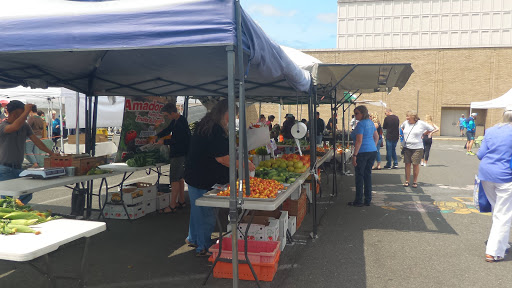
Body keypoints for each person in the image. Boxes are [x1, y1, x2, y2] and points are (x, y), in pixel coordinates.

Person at [185, 99, 255, 256]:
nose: (234, 118)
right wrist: (243, 164)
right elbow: (222, 159)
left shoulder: (207, 124)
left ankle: (193, 238)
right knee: (206, 214)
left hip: (195, 175)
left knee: (197, 211)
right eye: (234, 115)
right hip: (203, 177)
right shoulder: (215, 129)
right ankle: (203, 246)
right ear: (225, 113)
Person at [0, 101, 55, 204]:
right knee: (5, 199)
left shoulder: (24, 126)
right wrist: (26, 111)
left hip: (18, 168)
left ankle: (17, 207)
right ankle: (8, 213)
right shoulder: (3, 126)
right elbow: (14, 127)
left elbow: (37, 141)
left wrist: (51, 153)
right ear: (15, 114)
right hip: (4, 169)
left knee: (28, 191)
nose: (25, 117)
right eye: (23, 114)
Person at [476, 106, 512, 262]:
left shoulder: (491, 130)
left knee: (497, 210)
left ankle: (501, 244)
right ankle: (493, 251)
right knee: (503, 214)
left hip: (486, 173)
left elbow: (480, 154)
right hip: (505, 176)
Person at [155, 103, 191, 214]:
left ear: (173, 113)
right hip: (181, 154)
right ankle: (181, 201)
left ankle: (172, 205)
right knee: (180, 178)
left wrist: (164, 141)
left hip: (179, 154)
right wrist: (157, 136)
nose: (167, 117)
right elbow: (168, 129)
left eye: (167, 115)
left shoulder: (180, 123)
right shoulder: (177, 120)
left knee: (174, 179)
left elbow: (178, 140)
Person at [348, 105, 378, 207]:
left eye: (357, 113)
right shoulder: (370, 122)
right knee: (367, 175)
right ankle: (368, 199)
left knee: (360, 176)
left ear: (362, 113)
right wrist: (373, 146)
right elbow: (376, 136)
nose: (355, 115)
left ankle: (359, 200)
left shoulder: (360, 124)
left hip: (362, 152)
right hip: (372, 151)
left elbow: (359, 141)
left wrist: (354, 155)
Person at [400, 111, 434, 188]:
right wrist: (402, 135)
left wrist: (424, 134)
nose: (406, 118)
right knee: (407, 164)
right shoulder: (405, 123)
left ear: (413, 117)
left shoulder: (420, 123)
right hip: (407, 147)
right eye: (406, 116)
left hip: (417, 147)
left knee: (415, 164)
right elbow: (401, 127)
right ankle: (407, 181)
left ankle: (415, 181)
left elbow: (431, 128)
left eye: (408, 116)